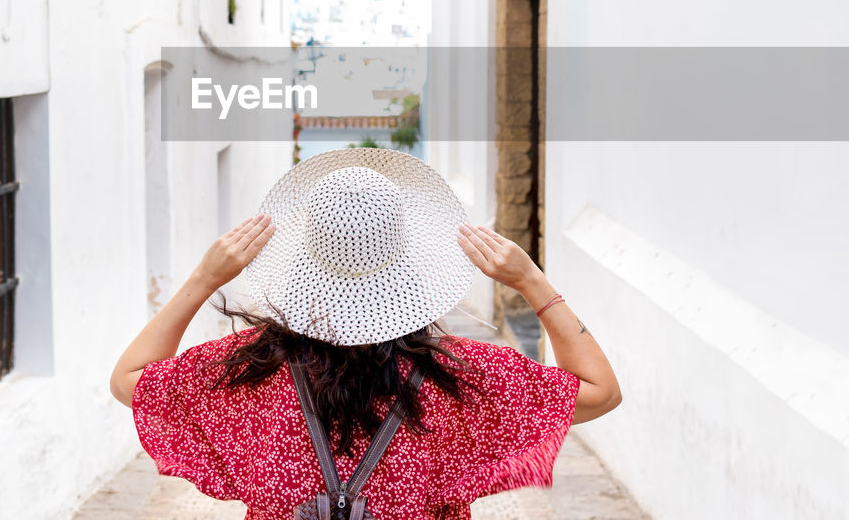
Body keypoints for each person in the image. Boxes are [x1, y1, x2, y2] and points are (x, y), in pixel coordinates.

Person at [110, 149, 621, 520]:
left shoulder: (250, 372)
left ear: (302, 265)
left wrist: (204, 279)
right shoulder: (458, 379)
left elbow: (129, 380)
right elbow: (600, 390)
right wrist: (531, 281)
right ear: (410, 269)